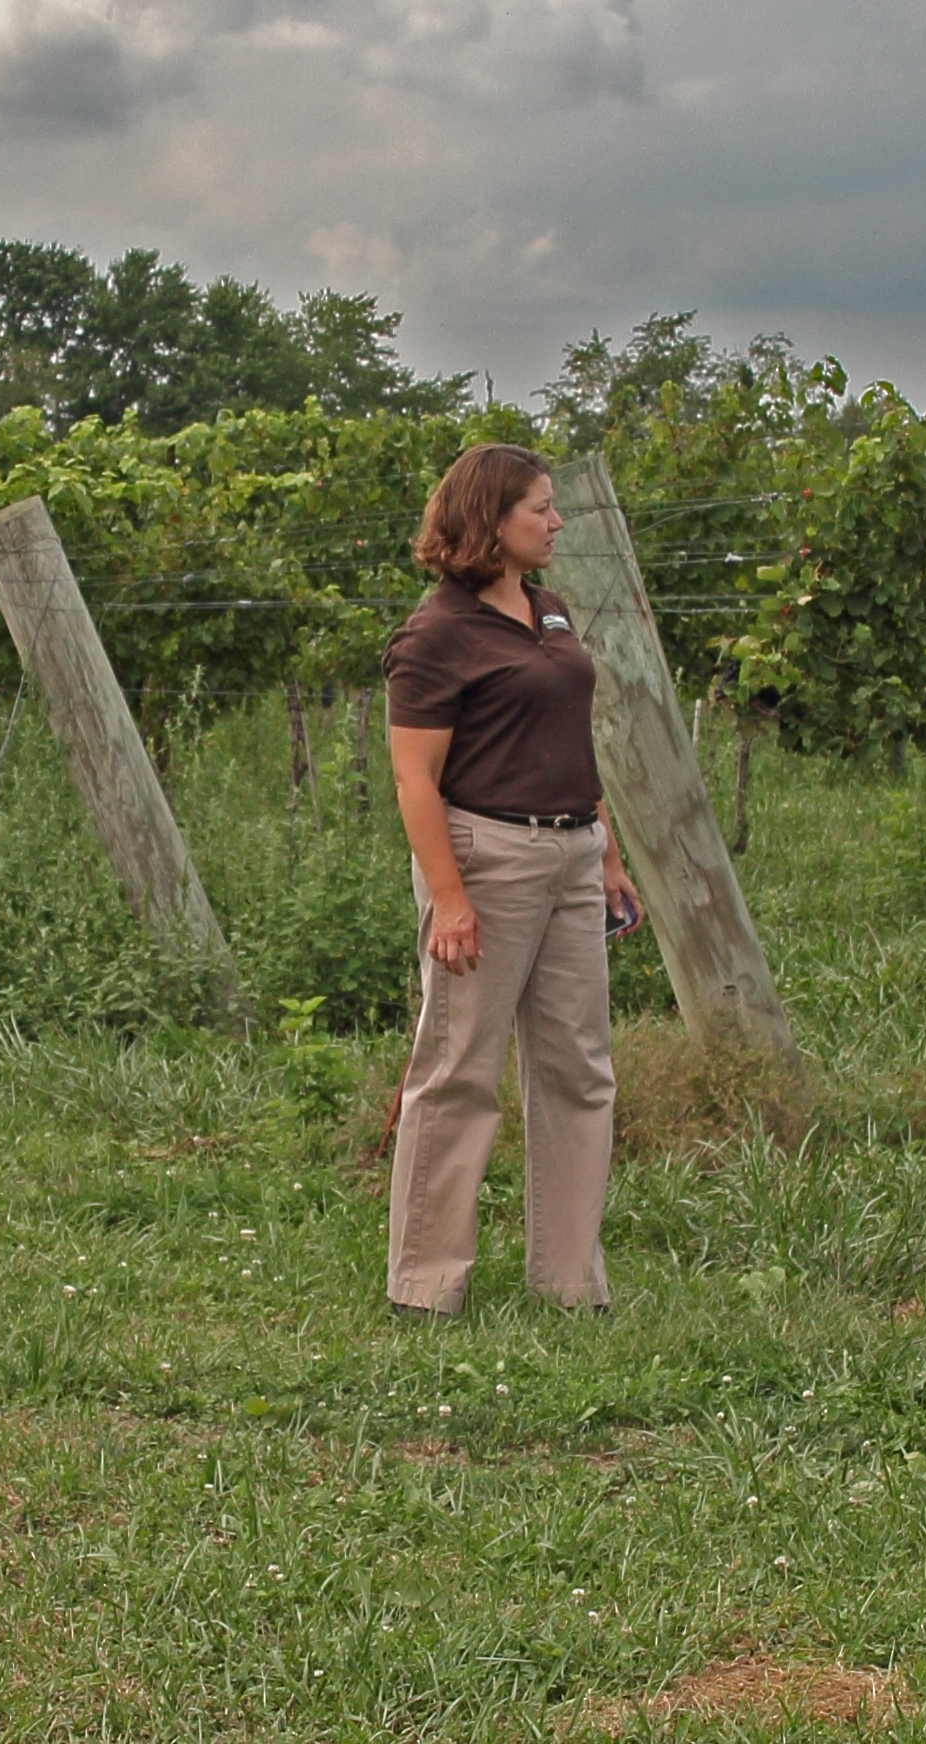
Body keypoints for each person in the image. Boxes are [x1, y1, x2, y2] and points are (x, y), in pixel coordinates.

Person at [384, 443, 642, 1315]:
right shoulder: (436, 634)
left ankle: (570, 1282)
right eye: (540, 507)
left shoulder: (549, 610)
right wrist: (450, 898)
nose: (556, 521)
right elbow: (414, 778)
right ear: (490, 520)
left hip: (572, 851)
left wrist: (605, 853)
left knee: (579, 1070)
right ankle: (426, 1283)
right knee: (459, 1068)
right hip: (487, 857)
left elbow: (568, 738)